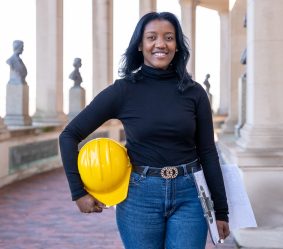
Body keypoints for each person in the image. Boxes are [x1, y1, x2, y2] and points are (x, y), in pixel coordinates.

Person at [59, 12, 229, 249]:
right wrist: (78, 192)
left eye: (169, 38)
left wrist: (221, 210)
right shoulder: (124, 90)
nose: (160, 44)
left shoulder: (194, 92)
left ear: (177, 45)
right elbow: (68, 135)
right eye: (152, 37)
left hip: (191, 195)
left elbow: (208, 152)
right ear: (140, 44)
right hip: (140, 196)